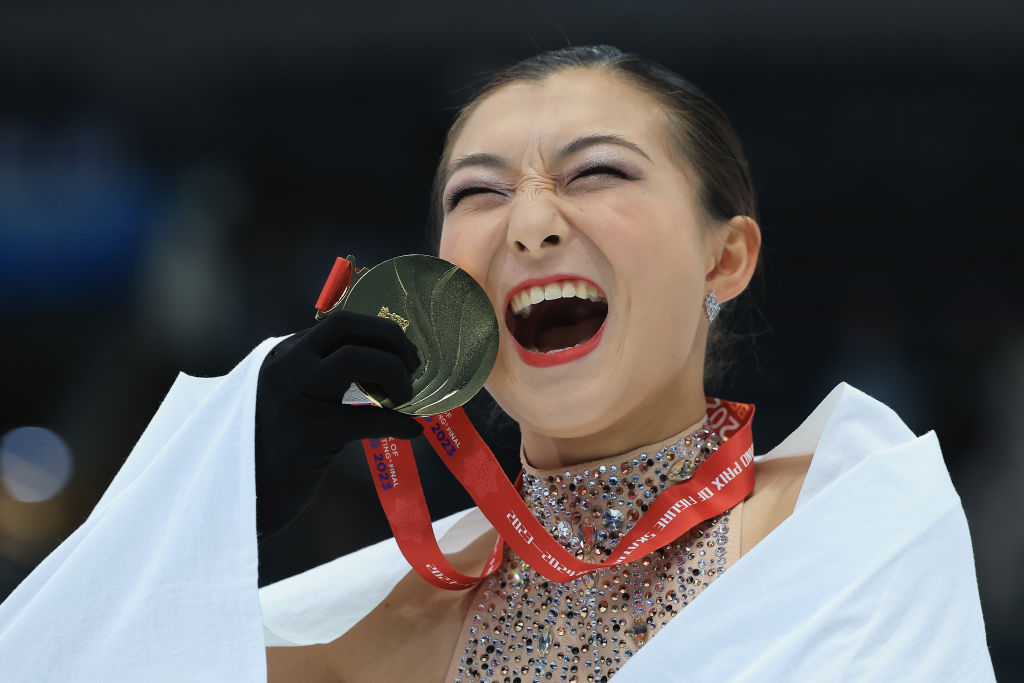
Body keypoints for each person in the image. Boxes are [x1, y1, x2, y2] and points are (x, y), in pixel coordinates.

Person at [0, 46, 993, 682]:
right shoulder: (375, 636)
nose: (529, 222)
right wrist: (209, 499)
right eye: (477, 193)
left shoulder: (857, 527)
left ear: (723, 257)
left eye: (596, 172)